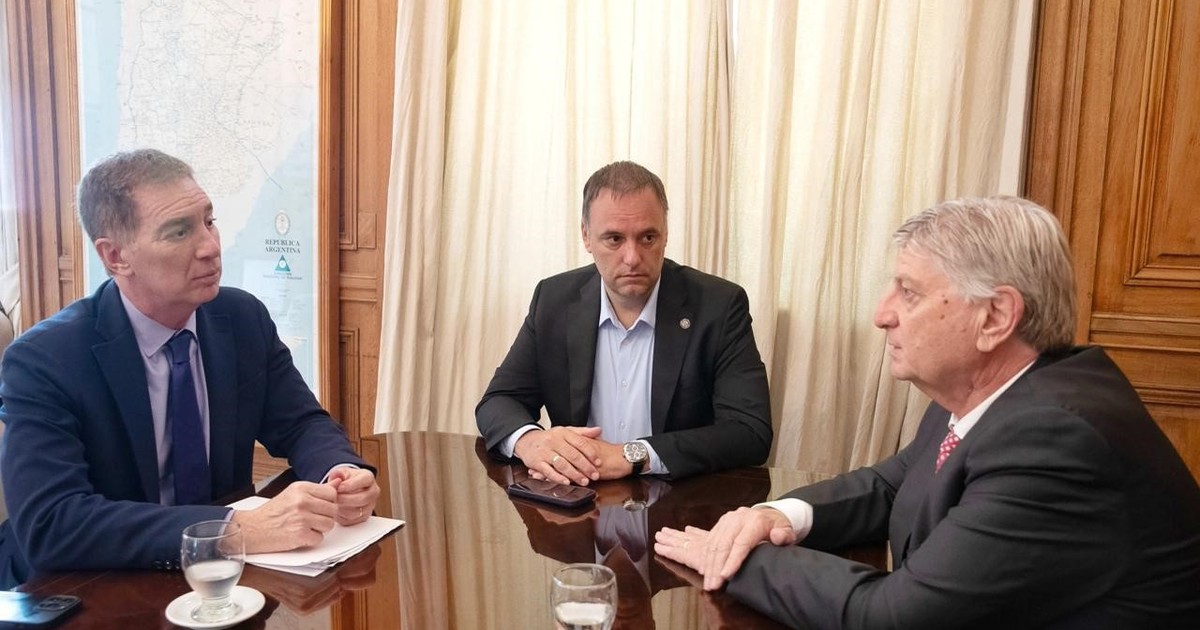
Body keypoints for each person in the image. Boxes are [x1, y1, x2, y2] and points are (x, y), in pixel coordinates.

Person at [655, 196, 1200, 629]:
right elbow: (891, 485)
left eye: (909, 292)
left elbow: (893, 616)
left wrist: (736, 556)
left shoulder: (1054, 438)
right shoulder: (983, 394)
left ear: (995, 317)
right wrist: (777, 516)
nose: (882, 314)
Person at [0, 149, 380, 587]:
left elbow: (300, 423)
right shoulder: (46, 359)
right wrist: (233, 529)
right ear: (115, 256)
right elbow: (53, 524)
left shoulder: (241, 319)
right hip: (85, 589)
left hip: (218, 586)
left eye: (208, 221)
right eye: (179, 232)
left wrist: (340, 471)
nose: (210, 247)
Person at [476, 161, 772, 484]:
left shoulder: (719, 306)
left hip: (678, 502)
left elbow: (750, 431)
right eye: (614, 239)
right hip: (578, 499)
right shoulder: (554, 300)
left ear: (666, 235)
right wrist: (531, 441)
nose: (632, 257)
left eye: (648, 237)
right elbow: (499, 401)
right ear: (586, 236)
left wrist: (633, 455)